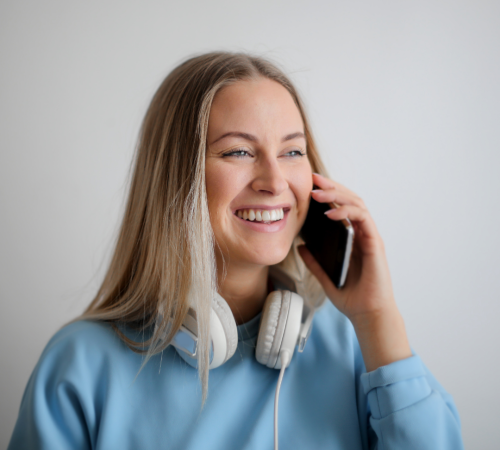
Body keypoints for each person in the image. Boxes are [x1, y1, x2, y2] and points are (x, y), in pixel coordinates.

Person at [8, 52, 464, 449]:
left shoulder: (353, 345)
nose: (274, 181)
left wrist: (377, 319)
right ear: (176, 178)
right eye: (239, 153)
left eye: (292, 152)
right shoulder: (80, 365)